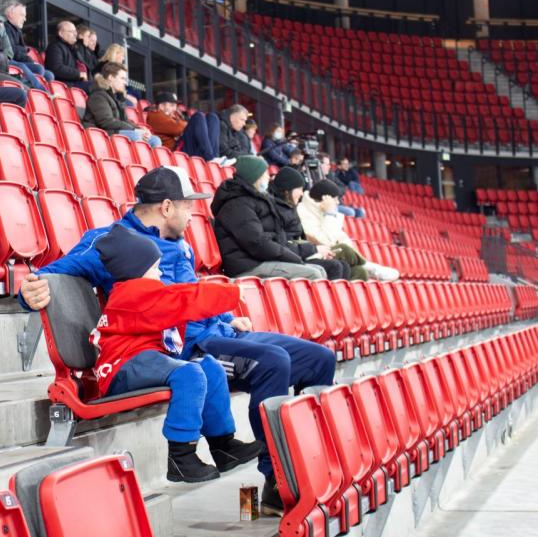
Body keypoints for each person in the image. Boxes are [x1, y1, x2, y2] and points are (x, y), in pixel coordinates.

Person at [18, 165, 336, 516]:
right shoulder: (115, 242)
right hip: (183, 347)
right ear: (166, 207)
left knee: (320, 358)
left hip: (222, 333)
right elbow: (48, 277)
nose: (193, 213)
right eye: (188, 206)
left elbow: (189, 290)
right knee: (272, 362)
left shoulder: (180, 243)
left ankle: (313, 458)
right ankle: (276, 481)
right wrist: (26, 292)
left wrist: (228, 318)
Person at [90, 225, 263, 482]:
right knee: (190, 373)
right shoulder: (132, 294)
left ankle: (223, 446)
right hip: (121, 367)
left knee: (211, 366)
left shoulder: (143, 292)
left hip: (144, 360)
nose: (160, 272)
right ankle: (181, 456)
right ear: (137, 271)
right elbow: (186, 299)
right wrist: (231, 293)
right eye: (155, 268)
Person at [212, 155, 328, 280]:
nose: (268, 177)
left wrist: (292, 256)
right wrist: (292, 257)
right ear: (254, 177)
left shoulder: (254, 199)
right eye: (264, 174)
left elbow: (272, 239)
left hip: (260, 260)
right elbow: (257, 243)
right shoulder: (237, 204)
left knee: (319, 269)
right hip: (247, 266)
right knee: (313, 274)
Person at [297, 180, 400, 282]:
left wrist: (330, 214)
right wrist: (329, 214)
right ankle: (370, 268)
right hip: (313, 253)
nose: (337, 203)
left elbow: (341, 237)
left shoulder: (324, 210)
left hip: (327, 252)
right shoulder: (304, 211)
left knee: (360, 272)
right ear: (325, 199)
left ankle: (363, 275)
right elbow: (325, 240)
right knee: (343, 249)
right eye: (335, 199)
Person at [270, 168, 352, 280]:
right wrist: (315, 250)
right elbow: (285, 243)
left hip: (299, 253)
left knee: (346, 266)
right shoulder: (291, 210)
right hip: (289, 256)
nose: (302, 193)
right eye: (299, 188)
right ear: (287, 190)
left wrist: (316, 251)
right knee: (335, 266)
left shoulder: (289, 208)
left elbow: (300, 239)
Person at [82, 62, 160, 147]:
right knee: (135, 136)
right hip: (101, 133)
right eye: (122, 78)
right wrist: (134, 130)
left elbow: (124, 120)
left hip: (114, 132)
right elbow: (106, 122)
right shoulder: (98, 96)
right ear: (111, 77)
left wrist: (140, 129)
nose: (125, 83)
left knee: (155, 140)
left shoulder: (117, 97)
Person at [146, 92, 220, 161]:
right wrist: (191, 124)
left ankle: (214, 157)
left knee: (212, 117)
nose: (174, 109)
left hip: (184, 148)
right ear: (161, 106)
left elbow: (180, 125)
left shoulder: (170, 116)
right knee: (198, 116)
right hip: (176, 152)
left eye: (175, 106)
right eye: (171, 105)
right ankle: (210, 157)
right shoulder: (155, 115)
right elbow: (178, 128)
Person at [1, 0, 53, 89]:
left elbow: (19, 50)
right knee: (39, 69)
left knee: (49, 75)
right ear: (10, 14)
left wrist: (27, 54)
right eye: (22, 15)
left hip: (19, 61)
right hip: (10, 62)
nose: (25, 19)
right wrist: (27, 54)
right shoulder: (5, 28)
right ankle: (43, 92)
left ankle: (43, 99)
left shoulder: (17, 30)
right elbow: (12, 51)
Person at [45, 20, 90, 92]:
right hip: (66, 85)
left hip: (75, 83)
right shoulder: (55, 47)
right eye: (71, 31)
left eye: (75, 32)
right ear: (61, 33)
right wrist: (78, 74)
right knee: (97, 86)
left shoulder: (73, 49)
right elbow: (56, 68)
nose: (75, 34)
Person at [317, 153, 366, 218]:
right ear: (319, 165)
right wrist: (339, 170)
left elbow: (343, 186)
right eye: (327, 164)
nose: (329, 166)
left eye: (347, 164)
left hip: (339, 202)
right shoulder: (335, 173)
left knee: (361, 212)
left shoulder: (331, 175)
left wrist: (333, 191)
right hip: (329, 205)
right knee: (351, 212)